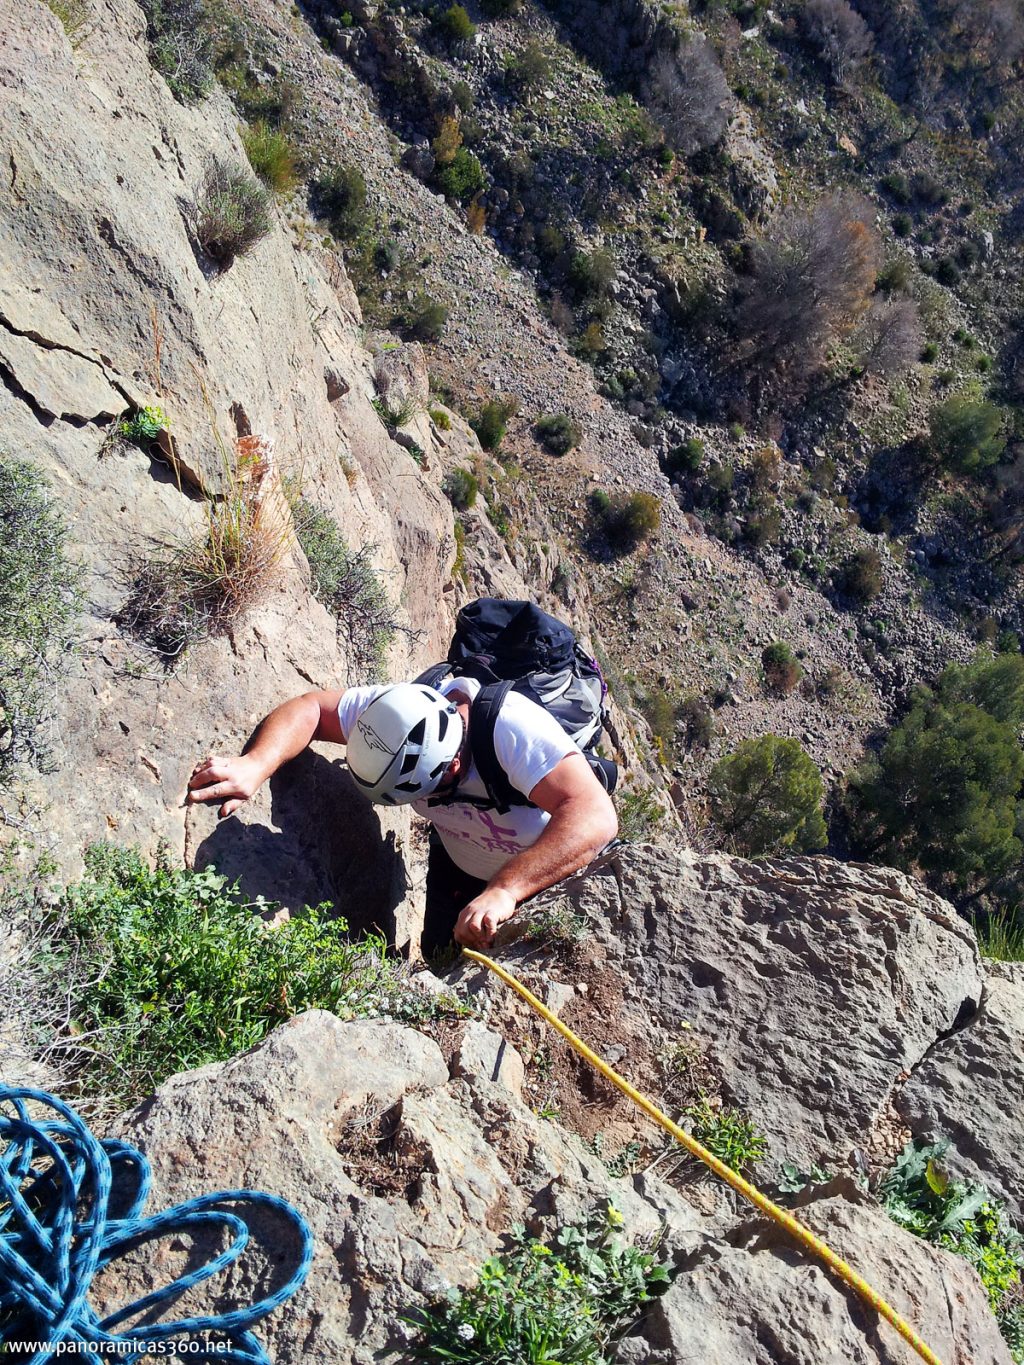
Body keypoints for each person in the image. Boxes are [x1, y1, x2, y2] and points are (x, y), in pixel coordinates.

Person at [186, 675, 618, 953]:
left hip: (544, 872)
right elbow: (312, 708)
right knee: (439, 953)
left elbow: (594, 816)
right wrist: (257, 763)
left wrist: (507, 889)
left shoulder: (513, 734)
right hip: (459, 864)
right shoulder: (393, 715)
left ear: (451, 766)